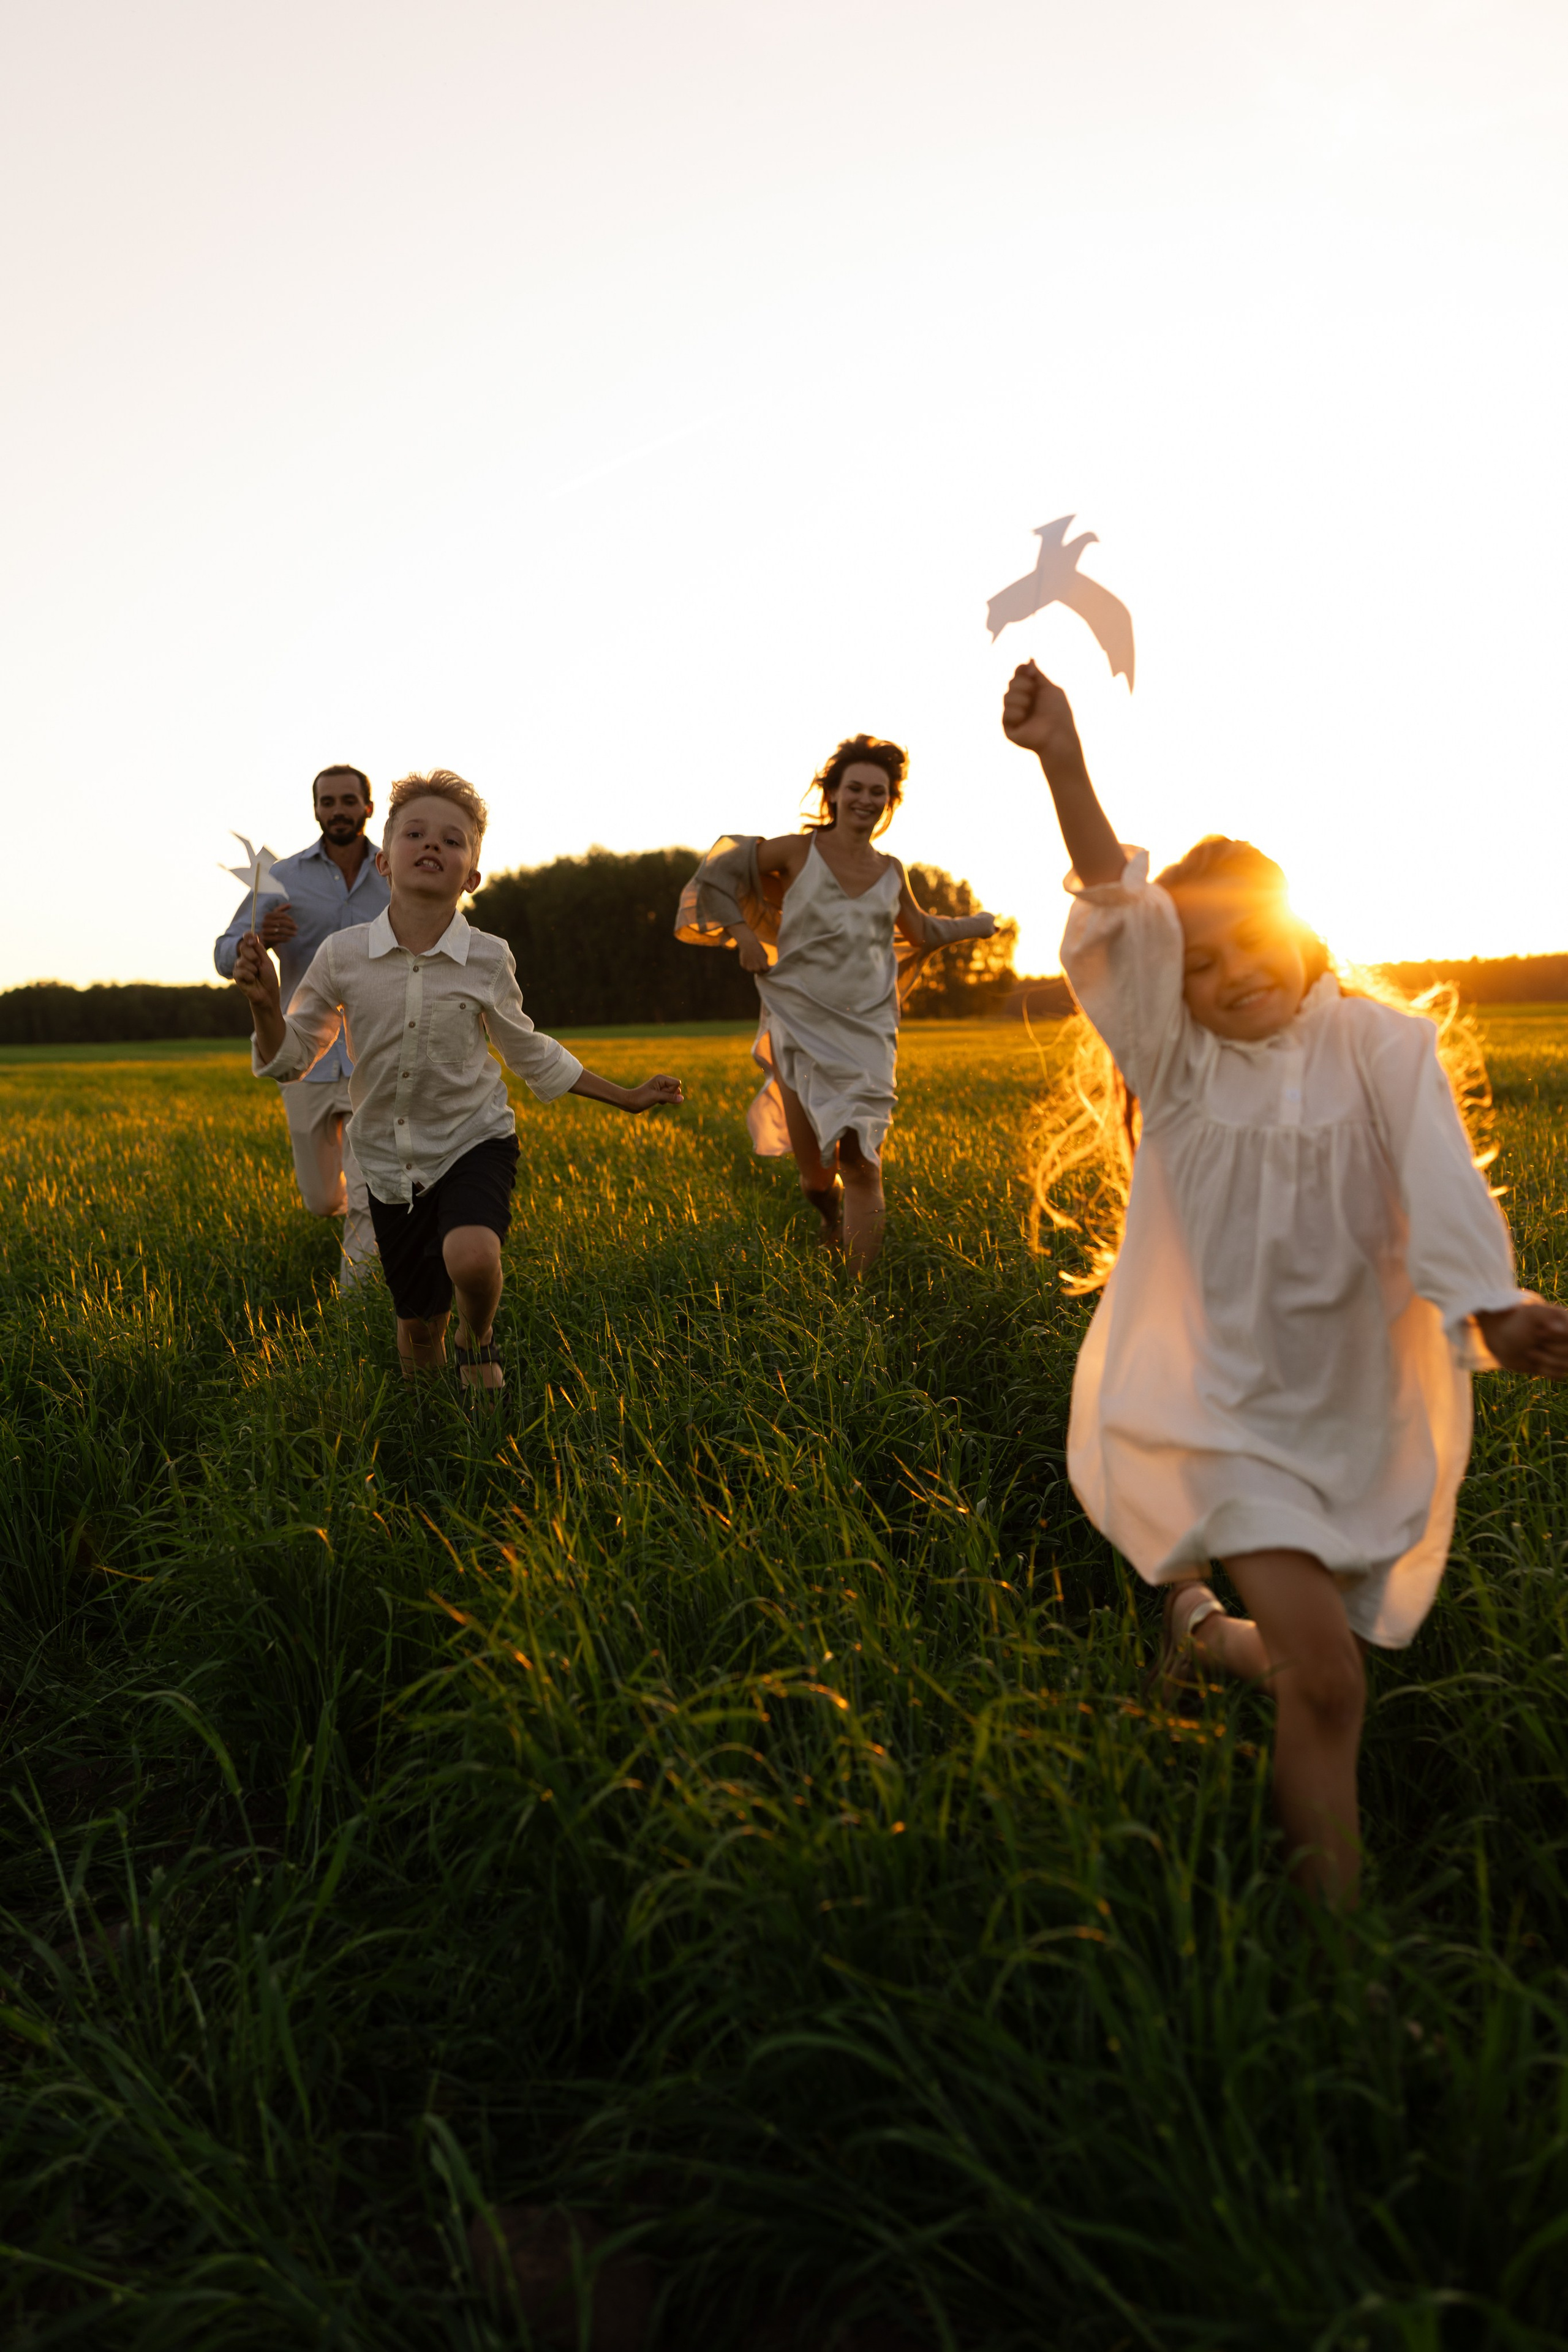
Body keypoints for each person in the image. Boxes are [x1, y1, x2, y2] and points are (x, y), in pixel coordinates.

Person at [1001, 656, 1568, 1908]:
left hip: (1352, 1403)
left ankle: (1198, 1637)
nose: (1230, 972)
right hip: (1222, 1409)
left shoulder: (1377, 1047)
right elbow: (1115, 904)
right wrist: (1063, 762)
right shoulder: (1179, 1064)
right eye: (1198, 962)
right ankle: (1336, 1967)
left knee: (1307, 1645)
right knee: (1329, 1683)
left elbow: (1435, 1180)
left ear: (1302, 927)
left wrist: (1492, 1308)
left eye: (1251, 939)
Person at [232, 769, 684, 1397]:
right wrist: (263, 1005)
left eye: (453, 840)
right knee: (418, 1333)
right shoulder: (342, 955)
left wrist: (627, 1096)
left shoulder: (488, 957)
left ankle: (480, 1335)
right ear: (385, 859)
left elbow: (528, 1049)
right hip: (389, 1160)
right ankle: (432, 1431)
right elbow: (294, 1057)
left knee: (472, 1255)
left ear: (471, 875)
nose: (431, 846)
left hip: (475, 1139)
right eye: (415, 833)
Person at [676, 734, 999, 1273]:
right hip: (800, 1023)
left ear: (890, 801)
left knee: (862, 1164)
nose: (866, 800)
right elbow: (718, 875)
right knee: (814, 1177)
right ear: (834, 792)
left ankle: (857, 1301)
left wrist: (975, 926)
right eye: (856, 788)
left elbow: (919, 930)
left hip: (870, 1030)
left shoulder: (893, 872)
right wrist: (746, 937)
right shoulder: (797, 852)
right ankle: (827, 1215)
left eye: (879, 791)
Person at [216, 764, 389, 1286]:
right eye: (328, 802)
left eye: (348, 801)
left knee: (366, 1194)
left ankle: (356, 1319)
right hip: (304, 1055)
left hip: (373, 1055)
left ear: (368, 807)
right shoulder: (282, 879)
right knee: (321, 1199)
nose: (338, 810)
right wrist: (255, 939)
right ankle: (350, 1209)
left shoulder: (393, 871)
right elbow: (225, 952)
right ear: (316, 809)